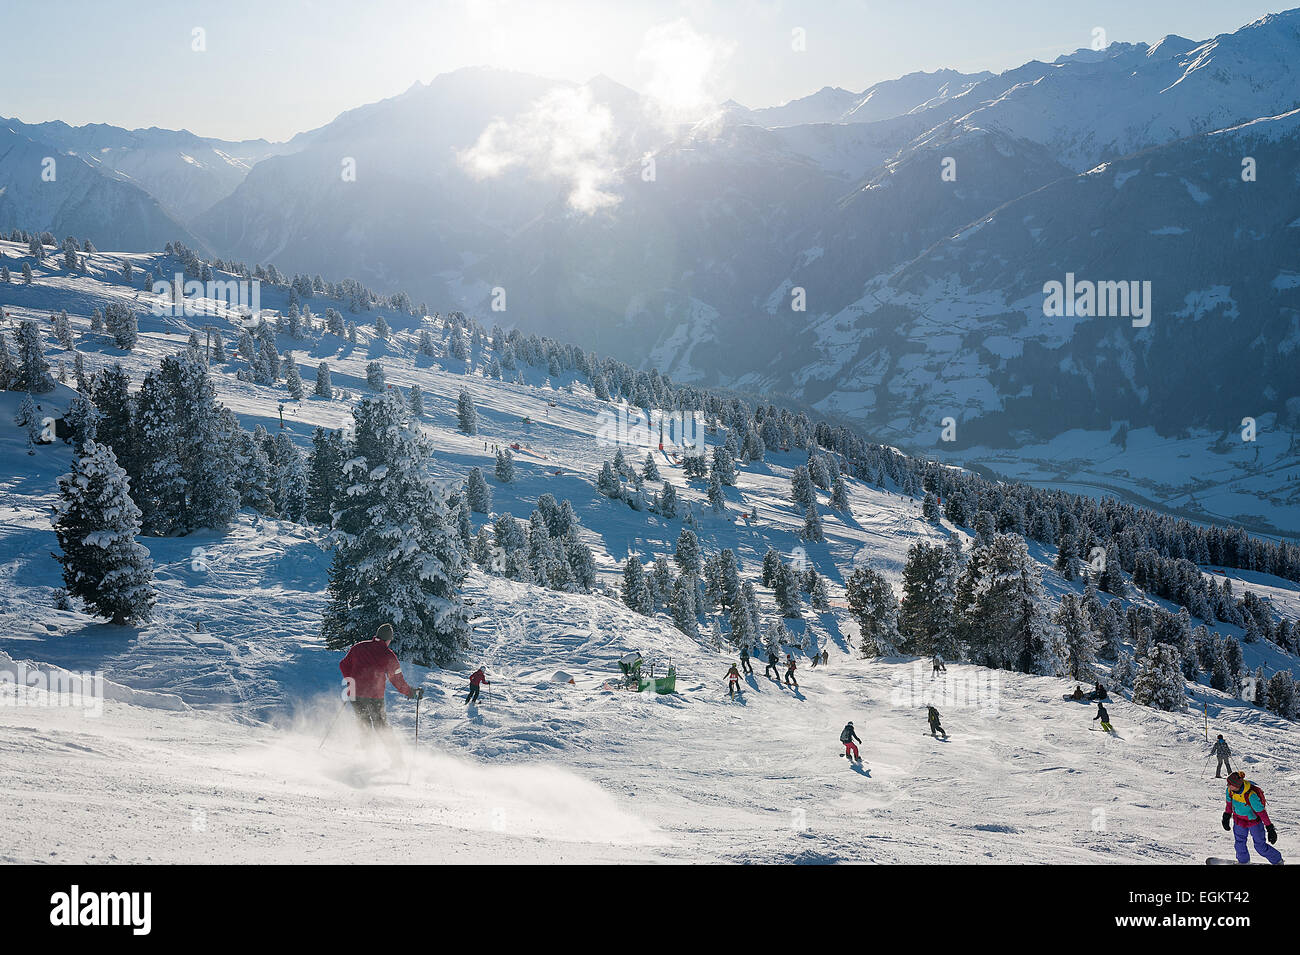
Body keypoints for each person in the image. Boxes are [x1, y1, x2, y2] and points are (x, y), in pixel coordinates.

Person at [338, 623, 418, 765]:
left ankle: (367, 758)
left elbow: (343, 664)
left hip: (355, 694)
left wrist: (351, 680)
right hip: (375, 697)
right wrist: (410, 692)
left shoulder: (359, 647)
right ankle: (397, 761)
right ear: (389, 640)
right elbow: (396, 679)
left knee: (364, 723)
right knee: (381, 726)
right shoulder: (388, 655)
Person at [1222, 772, 1282, 864]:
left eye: (1230, 784)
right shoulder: (1230, 791)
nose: (1228, 785)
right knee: (1239, 844)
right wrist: (1226, 816)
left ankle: (1277, 860)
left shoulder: (1251, 795)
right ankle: (1243, 861)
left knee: (1260, 846)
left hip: (1254, 822)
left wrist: (1270, 828)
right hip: (1239, 821)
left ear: (1236, 785)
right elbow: (1229, 804)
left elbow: (1262, 813)